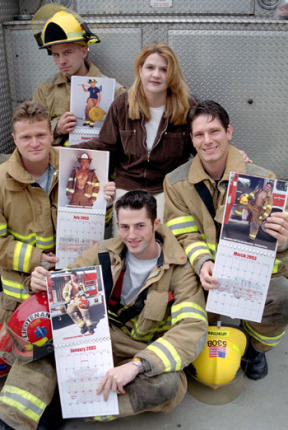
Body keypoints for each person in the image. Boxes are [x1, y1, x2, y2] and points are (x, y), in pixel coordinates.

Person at [31, 190, 208, 421]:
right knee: (38, 341)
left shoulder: (180, 269)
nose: (132, 235)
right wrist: (37, 282)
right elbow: (64, 283)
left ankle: (75, 409)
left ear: (156, 223)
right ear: (117, 224)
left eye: (140, 226)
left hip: (138, 350)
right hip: (94, 340)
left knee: (169, 385)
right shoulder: (103, 252)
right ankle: (16, 417)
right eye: (125, 227)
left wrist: (137, 364)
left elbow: (192, 328)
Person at [0, 101, 115, 430]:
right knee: (30, 348)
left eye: (40, 134)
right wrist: (35, 261)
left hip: (70, 274)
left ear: (51, 134)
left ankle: (50, 408)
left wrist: (102, 204)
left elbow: (93, 227)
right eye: (25, 137)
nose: (34, 143)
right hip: (21, 286)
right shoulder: (1, 182)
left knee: (73, 341)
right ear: (14, 139)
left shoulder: (75, 165)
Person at [164, 100, 288, 381]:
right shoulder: (175, 182)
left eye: (214, 131)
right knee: (170, 299)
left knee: (283, 295)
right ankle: (196, 340)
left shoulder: (261, 180)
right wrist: (203, 262)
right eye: (199, 134)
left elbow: (276, 245)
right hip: (203, 274)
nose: (207, 140)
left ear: (229, 132)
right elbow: (184, 233)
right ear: (192, 140)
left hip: (249, 274)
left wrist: (282, 241)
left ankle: (255, 347)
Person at [74, 42, 196, 223]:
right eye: (150, 67)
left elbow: (202, 145)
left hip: (167, 187)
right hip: (127, 185)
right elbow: (106, 145)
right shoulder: (122, 105)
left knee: (160, 234)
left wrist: (229, 156)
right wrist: (65, 151)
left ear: (172, 74)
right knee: (129, 236)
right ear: (140, 70)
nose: (156, 74)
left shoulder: (186, 107)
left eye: (164, 69)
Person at [32, 4, 125, 146]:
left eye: (67, 52)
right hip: (56, 161)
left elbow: (128, 133)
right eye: (56, 55)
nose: (61, 61)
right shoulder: (45, 90)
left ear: (84, 51)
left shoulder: (113, 91)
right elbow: (30, 131)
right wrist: (57, 127)